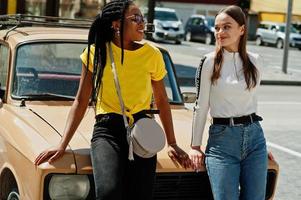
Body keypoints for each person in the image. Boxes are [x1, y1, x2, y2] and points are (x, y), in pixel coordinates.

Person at [34, 1, 190, 199]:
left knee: (141, 195)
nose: (143, 22)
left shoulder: (152, 54)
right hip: (107, 131)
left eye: (143, 18)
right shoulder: (95, 53)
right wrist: (63, 144)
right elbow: (81, 100)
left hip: (142, 130)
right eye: (136, 18)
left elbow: (161, 99)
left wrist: (172, 142)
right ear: (116, 24)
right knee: (108, 192)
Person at [189, 5, 272, 200]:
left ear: (242, 30)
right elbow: (201, 106)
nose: (220, 32)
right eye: (217, 28)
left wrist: (262, 145)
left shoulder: (255, 61)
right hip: (222, 143)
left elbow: (251, 102)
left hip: (255, 141)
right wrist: (195, 146)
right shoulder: (208, 62)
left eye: (226, 27)